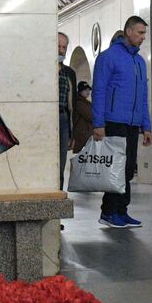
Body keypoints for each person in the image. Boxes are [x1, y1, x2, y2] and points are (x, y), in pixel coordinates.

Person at [90, 18, 152, 228]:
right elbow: (98, 91)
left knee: (127, 169)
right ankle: (108, 212)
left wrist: (147, 126)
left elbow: (143, 96)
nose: (143, 37)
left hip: (133, 123)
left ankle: (121, 211)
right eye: (140, 33)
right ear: (128, 31)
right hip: (114, 121)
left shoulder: (139, 62)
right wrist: (98, 124)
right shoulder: (108, 58)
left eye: (144, 33)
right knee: (115, 169)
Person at [58, 33, 78, 189]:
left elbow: (73, 104)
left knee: (62, 160)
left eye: (64, 47)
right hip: (47, 119)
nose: (61, 50)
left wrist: (73, 134)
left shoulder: (69, 73)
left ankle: (59, 190)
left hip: (64, 118)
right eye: (58, 46)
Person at [71, 81, 95, 153]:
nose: (87, 92)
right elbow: (91, 116)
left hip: (85, 134)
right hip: (82, 136)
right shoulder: (80, 103)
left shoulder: (85, 102)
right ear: (80, 91)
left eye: (88, 90)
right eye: (85, 90)